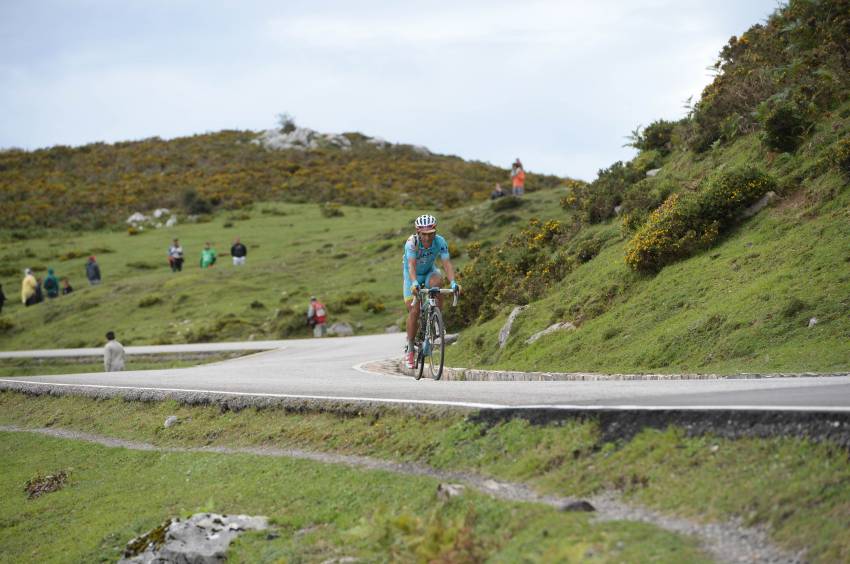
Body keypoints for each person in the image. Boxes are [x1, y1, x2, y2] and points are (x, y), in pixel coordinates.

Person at [403, 214, 459, 369]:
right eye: (424, 235)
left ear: (435, 231)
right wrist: (414, 283)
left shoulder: (440, 241)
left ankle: (435, 317)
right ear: (418, 233)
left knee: (437, 283)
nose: (428, 238)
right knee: (414, 311)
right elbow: (411, 266)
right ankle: (410, 347)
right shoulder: (411, 243)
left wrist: (453, 282)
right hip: (412, 276)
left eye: (431, 234)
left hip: (429, 272)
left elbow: (446, 263)